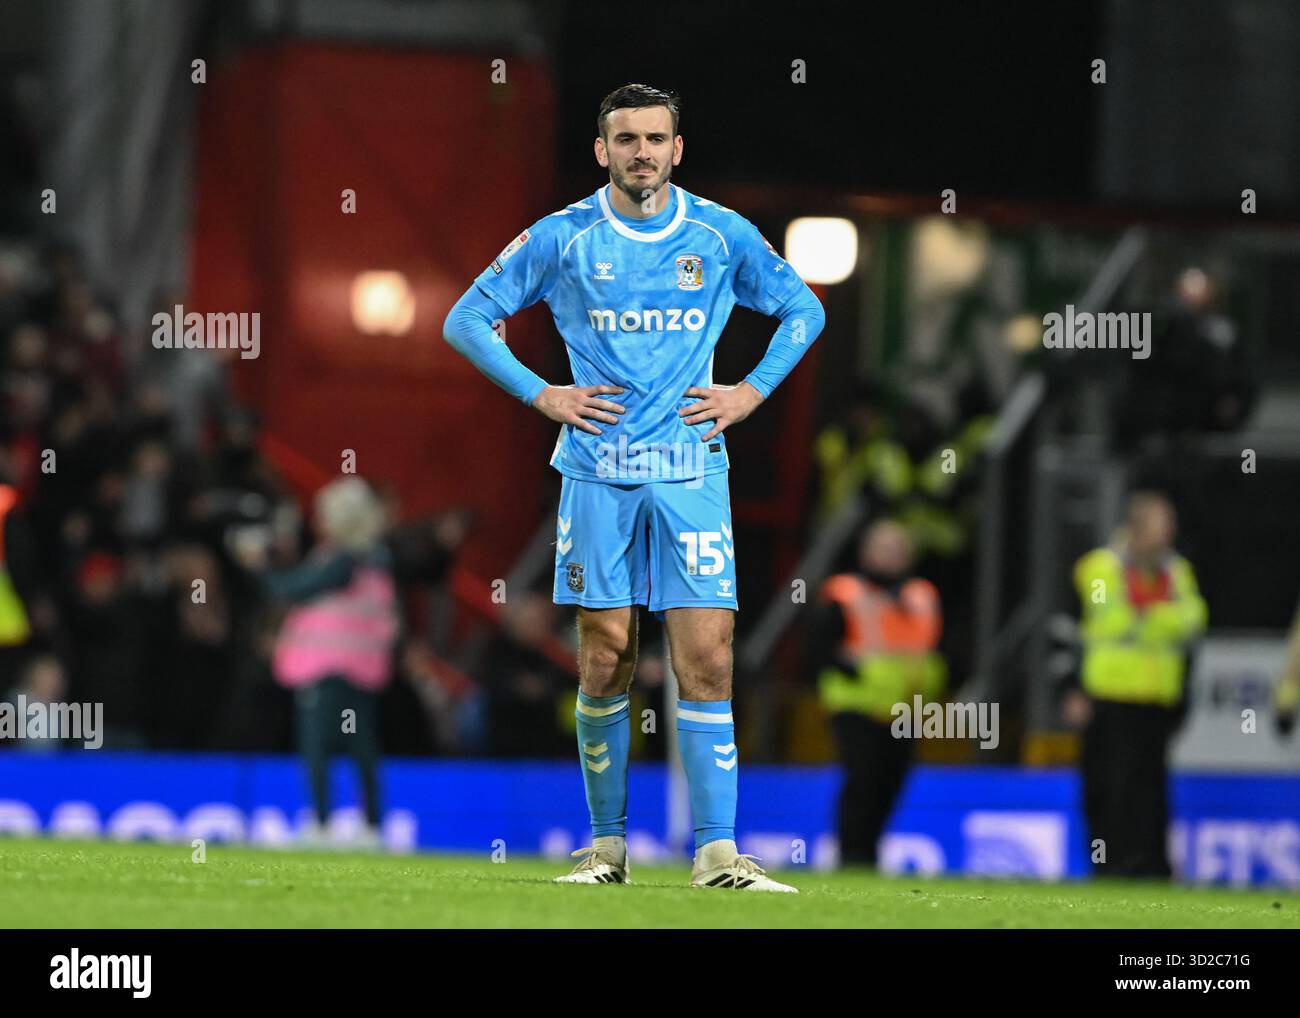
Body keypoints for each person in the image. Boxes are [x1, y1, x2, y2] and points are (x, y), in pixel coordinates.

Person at [443, 83, 825, 890]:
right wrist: (542, 394)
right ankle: (606, 852)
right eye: (626, 139)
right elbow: (466, 319)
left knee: (708, 659)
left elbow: (803, 311)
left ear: (677, 150)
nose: (641, 152)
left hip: (692, 473)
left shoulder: (719, 234)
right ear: (602, 150)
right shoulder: (564, 236)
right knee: (605, 655)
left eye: (655, 139)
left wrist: (750, 392)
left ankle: (717, 856)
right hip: (597, 474)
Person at [236, 477, 399, 849]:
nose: (318, 520)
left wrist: (258, 566)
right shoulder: (375, 558)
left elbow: (291, 589)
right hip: (362, 667)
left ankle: (323, 824)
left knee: (317, 746)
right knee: (362, 746)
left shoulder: (344, 559)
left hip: (327, 669)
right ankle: (371, 825)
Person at [1069, 491, 1207, 878]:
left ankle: (1151, 866)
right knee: (1109, 785)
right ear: (1136, 528)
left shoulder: (1176, 570)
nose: (1168, 537)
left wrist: (1148, 618)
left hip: (1157, 698)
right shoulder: (1100, 567)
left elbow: (1194, 619)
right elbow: (1113, 619)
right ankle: (1109, 865)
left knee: (1152, 790)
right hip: (1109, 696)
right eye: (1162, 528)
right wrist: (1071, 687)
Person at [810, 520, 945, 866]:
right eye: (883, 548)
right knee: (862, 780)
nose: (891, 556)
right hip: (856, 705)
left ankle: (869, 853)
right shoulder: (845, 592)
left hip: (905, 710)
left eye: (898, 549)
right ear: (865, 552)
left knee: (892, 782)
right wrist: (850, 669)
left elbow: (934, 649)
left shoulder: (922, 596)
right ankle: (851, 854)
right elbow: (818, 647)